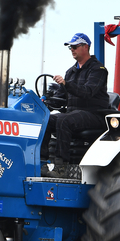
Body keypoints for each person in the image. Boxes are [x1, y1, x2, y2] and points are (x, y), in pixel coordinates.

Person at [40, 32, 109, 178]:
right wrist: (45, 103)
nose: (72, 49)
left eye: (75, 46)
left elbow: (87, 91)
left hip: (94, 114)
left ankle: (61, 168)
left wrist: (66, 84)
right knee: (46, 120)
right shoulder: (70, 72)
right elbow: (62, 96)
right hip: (74, 113)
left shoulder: (98, 70)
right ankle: (42, 162)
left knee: (64, 120)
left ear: (86, 47)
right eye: (70, 47)